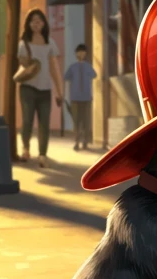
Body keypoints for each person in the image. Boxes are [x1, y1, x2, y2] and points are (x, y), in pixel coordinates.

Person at [16, 8, 63, 167]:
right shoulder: (23, 44)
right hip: (27, 88)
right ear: (28, 24)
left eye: (39, 20)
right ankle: (25, 149)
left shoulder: (50, 43)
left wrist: (59, 91)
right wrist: (28, 65)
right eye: (33, 21)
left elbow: (54, 69)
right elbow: (21, 64)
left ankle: (42, 154)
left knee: (44, 123)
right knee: (27, 120)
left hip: (45, 89)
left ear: (44, 23)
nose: (36, 23)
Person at [65, 42, 97, 151]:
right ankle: (76, 142)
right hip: (75, 98)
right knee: (76, 121)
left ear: (86, 54)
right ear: (76, 54)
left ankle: (85, 142)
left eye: (83, 52)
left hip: (87, 97)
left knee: (86, 120)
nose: (81, 54)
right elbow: (66, 77)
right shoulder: (72, 67)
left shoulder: (88, 67)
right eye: (79, 52)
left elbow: (94, 75)